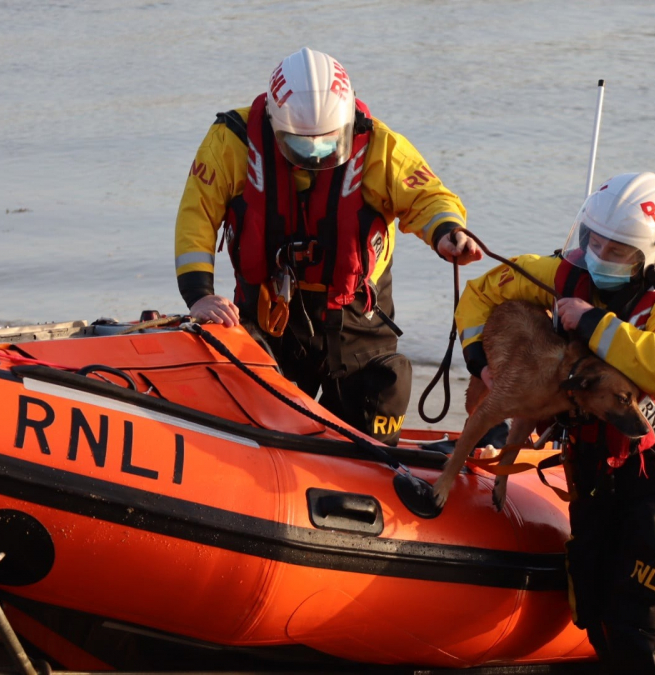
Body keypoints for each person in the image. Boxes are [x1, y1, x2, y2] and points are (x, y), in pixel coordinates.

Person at [454, 172, 655, 674]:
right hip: (597, 475)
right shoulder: (558, 274)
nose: (599, 254)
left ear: (652, 255)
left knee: (640, 623)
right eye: (592, 241)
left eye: (617, 250)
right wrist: (480, 361)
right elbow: (480, 292)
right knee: (596, 615)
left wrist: (592, 323)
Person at [174, 48, 481, 445]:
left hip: (356, 319)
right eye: (302, 145)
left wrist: (447, 232)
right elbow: (196, 215)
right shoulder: (230, 142)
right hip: (270, 314)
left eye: (328, 143)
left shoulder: (380, 147)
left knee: (380, 396)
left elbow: (427, 197)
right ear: (274, 123)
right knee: (249, 417)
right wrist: (199, 295)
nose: (316, 153)